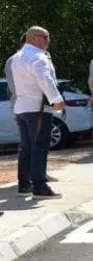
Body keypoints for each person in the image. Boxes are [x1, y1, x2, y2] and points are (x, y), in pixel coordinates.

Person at [8, 27, 64, 198]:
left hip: (21, 107)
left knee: (26, 148)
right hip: (37, 109)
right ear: (34, 38)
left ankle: (24, 184)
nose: (48, 40)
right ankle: (40, 186)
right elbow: (44, 79)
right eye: (46, 37)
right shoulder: (38, 57)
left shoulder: (16, 58)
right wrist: (56, 99)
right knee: (40, 146)